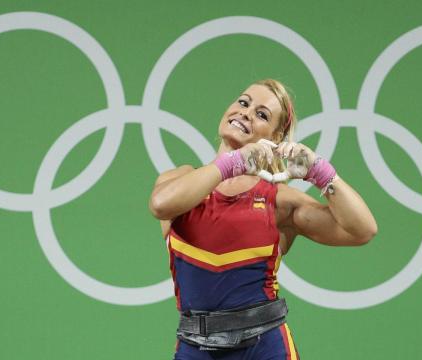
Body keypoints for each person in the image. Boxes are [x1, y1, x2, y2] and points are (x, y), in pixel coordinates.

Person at [149, 79, 377, 359]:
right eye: (243, 103)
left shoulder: (280, 202)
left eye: (261, 114)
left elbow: (362, 230)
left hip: (264, 348)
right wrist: (229, 165)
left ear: (276, 137)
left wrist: (321, 173)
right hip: (195, 346)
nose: (245, 112)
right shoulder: (180, 181)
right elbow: (160, 205)